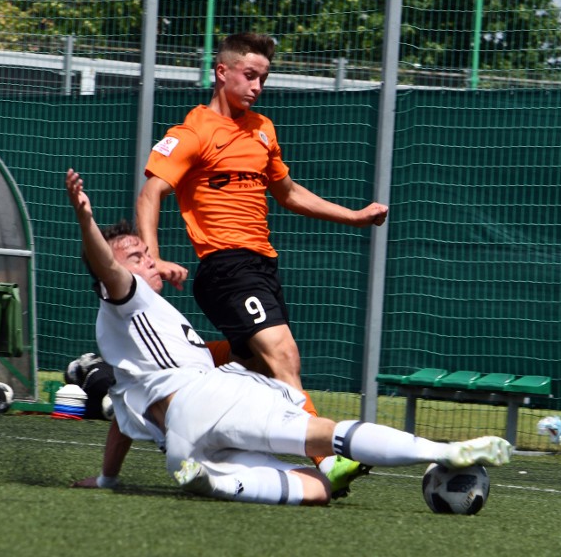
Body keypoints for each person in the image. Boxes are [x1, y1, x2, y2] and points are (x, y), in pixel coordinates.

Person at [66, 168, 512, 505]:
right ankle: (444, 449)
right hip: (205, 400)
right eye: (136, 257)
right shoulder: (125, 296)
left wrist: (106, 480)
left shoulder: (124, 340)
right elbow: (106, 265)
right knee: (326, 434)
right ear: (110, 272)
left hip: (185, 441)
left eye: (146, 254)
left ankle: (218, 481)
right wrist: (87, 221)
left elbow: (123, 426)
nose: (147, 260)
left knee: (317, 490)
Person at [136, 32, 388, 489]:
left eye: (263, 78)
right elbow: (151, 191)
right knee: (284, 356)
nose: (256, 86)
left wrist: (353, 216)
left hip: (261, 267)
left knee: (249, 368)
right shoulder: (191, 133)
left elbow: (288, 193)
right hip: (225, 266)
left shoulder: (262, 129)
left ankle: (161, 403)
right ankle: (325, 458)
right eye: (249, 75)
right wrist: (151, 257)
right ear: (221, 72)